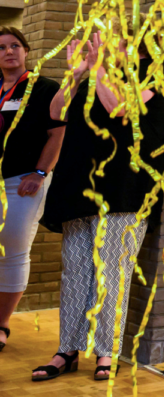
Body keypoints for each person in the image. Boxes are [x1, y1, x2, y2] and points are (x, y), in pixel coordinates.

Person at [33, 32, 164, 382]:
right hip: (80, 188)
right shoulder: (94, 76)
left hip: (124, 190)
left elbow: (120, 109)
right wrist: (78, 74)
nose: (107, 47)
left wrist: (96, 72)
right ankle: (67, 349)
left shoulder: (153, 79)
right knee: (75, 271)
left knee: (111, 274)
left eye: (119, 41)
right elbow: (55, 111)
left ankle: (106, 353)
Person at [0, 27, 66, 353]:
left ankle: (2, 324)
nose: (8, 52)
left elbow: (57, 134)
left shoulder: (43, 88)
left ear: (25, 51)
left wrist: (40, 172)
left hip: (22, 182)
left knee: (13, 248)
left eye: (15, 45)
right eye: (1, 47)